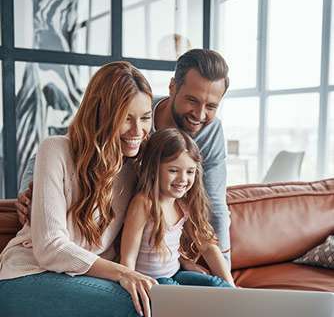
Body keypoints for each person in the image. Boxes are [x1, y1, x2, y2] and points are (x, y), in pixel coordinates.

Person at [0, 62, 172, 317]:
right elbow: (50, 248)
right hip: (22, 285)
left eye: (145, 118)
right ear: (102, 114)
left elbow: (181, 178)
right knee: (139, 302)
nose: (138, 130)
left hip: (77, 296)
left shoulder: (136, 168)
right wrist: (122, 272)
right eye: (127, 118)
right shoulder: (56, 150)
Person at [17, 49, 231, 267]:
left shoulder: (208, 132)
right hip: (75, 255)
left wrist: (214, 271)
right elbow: (69, 145)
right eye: (192, 100)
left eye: (211, 106)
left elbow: (213, 203)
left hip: (140, 255)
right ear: (172, 87)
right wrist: (32, 194)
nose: (200, 114)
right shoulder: (135, 103)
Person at [121, 128, 234, 288]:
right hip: (153, 281)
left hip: (175, 272)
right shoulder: (144, 203)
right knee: (183, 295)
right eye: (173, 170)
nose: (183, 179)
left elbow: (208, 247)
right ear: (154, 169)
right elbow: (128, 257)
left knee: (217, 284)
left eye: (190, 171)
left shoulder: (184, 203)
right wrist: (131, 288)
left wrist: (232, 288)